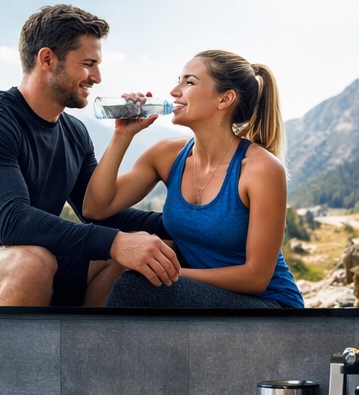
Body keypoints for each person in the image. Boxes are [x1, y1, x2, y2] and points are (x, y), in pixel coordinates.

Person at [0, 4, 181, 307]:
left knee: (152, 253)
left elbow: (99, 211)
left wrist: (184, 224)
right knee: (33, 262)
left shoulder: (74, 133)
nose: (96, 77)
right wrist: (117, 242)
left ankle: (86, 350)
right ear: (47, 59)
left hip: (38, 263)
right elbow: (14, 222)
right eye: (88, 63)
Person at [82, 50, 304, 309]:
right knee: (116, 260)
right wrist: (122, 135)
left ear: (225, 99)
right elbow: (95, 208)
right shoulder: (166, 155)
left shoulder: (260, 169)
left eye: (189, 82)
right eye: (179, 80)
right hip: (206, 295)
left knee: (137, 281)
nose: (175, 91)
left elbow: (256, 278)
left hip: (269, 306)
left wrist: (165, 272)